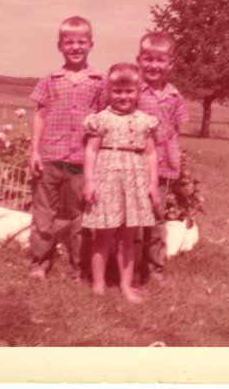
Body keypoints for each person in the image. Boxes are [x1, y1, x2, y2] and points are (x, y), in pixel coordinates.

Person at [28, 16, 104, 280]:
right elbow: (39, 114)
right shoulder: (51, 79)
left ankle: (79, 266)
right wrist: (34, 150)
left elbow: (104, 121)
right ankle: (39, 262)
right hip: (50, 157)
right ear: (60, 45)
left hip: (81, 162)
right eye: (69, 42)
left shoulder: (99, 81)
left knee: (79, 217)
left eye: (81, 42)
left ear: (90, 44)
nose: (75, 47)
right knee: (43, 214)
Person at [82, 63, 159, 303]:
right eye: (117, 91)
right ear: (109, 91)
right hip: (107, 179)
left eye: (129, 91)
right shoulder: (101, 119)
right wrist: (89, 181)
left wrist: (153, 184)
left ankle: (126, 286)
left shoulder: (145, 121)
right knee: (102, 236)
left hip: (134, 181)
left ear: (138, 91)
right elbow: (91, 151)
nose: (123, 96)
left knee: (128, 238)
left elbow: (151, 154)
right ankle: (98, 284)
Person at [135, 32, 189, 283]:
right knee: (133, 217)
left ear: (170, 64)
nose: (154, 65)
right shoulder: (133, 91)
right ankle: (131, 266)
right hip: (134, 164)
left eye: (160, 60)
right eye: (148, 59)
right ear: (139, 60)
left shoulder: (175, 97)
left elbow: (175, 133)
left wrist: (174, 164)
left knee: (157, 218)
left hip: (162, 167)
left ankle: (155, 268)